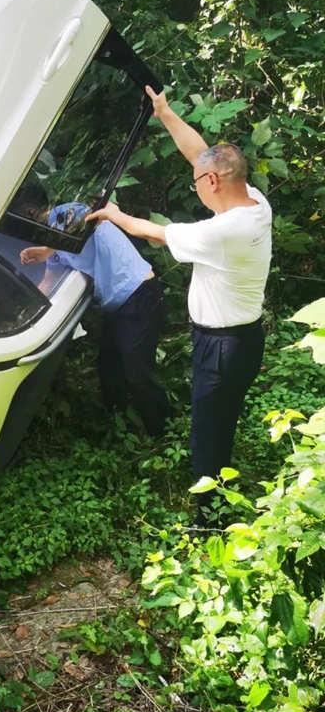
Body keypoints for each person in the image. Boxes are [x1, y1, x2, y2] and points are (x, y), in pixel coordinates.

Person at [86, 85, 272, 482]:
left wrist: (114, 214)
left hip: (222, 346)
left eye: (196, 182)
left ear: (213, 182)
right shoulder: (255, 202)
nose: (197, 186)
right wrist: (165, 113)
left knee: (208, 431)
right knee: (222, 416)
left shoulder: (220, 233)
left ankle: (209, 516)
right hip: (244, 338)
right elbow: (199, 154)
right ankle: (220, 474)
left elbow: (156, 233)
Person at [20, 201, 170, 437]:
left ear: (31, 211)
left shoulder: (65, 212)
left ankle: (162, 430)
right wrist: (23, 312)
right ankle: (117, 427)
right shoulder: (52, 241)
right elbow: (48, 281)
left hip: (139, 293)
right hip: (116, 305)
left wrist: (47, 249)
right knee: (109, 368)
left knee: (138, 373)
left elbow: (94, 216)